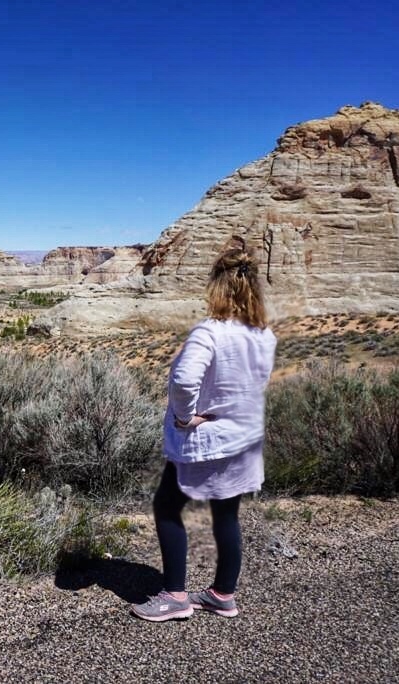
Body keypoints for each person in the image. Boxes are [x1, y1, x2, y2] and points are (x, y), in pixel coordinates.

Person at [131, 237, 277, 622]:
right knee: (226, 515)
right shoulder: (264, 334)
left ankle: (176, 596)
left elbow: (183, 379)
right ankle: (222, 594)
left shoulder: (210, 331)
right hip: (243, 439)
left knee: (166, 506)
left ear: (218, 285)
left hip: (208, 440)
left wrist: (184, 417)